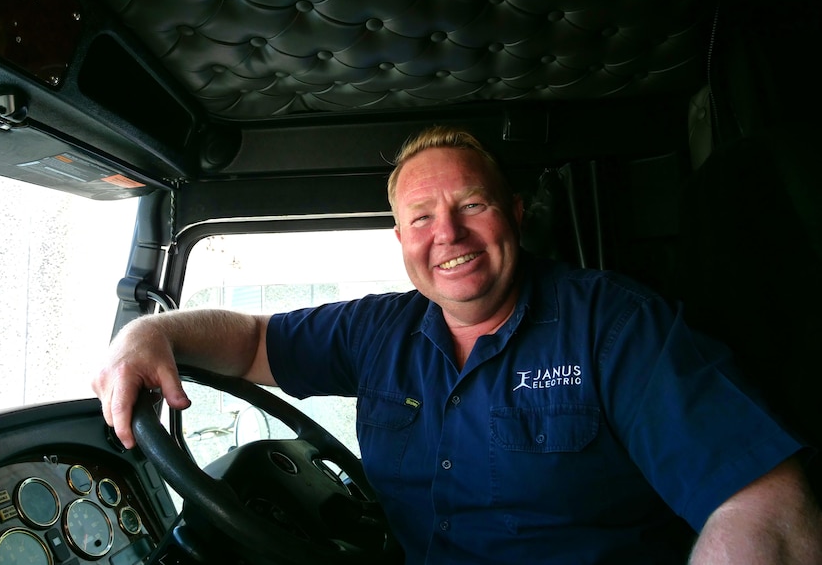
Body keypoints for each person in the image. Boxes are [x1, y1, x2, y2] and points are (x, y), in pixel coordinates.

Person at [93, 125, 822, 564]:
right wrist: (149, 331)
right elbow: (250, 339)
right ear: (402, 239)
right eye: (421, 217)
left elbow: (763, 504)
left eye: (471, 205)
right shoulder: (380, 330)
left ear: (514, 214)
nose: (448, 234)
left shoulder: (613, 323)